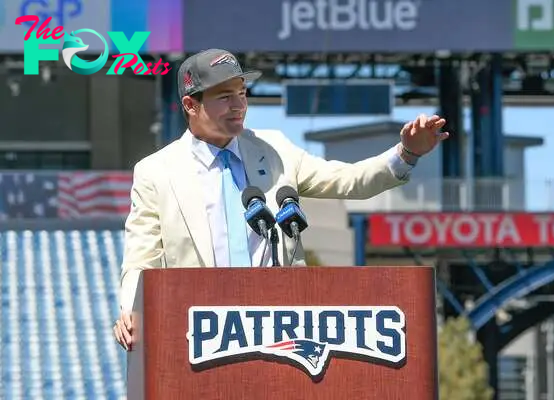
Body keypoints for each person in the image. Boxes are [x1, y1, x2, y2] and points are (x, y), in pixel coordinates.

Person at [113, 48, 449, 351]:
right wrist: (131, 309)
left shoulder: (274, 148)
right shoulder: (156, 172)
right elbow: (141, 258)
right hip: (200, 334)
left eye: (242, 94)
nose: (238, 105)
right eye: (225, 96)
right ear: (190, 104)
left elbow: (347, 180)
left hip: (279, 326)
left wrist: (406, 153)